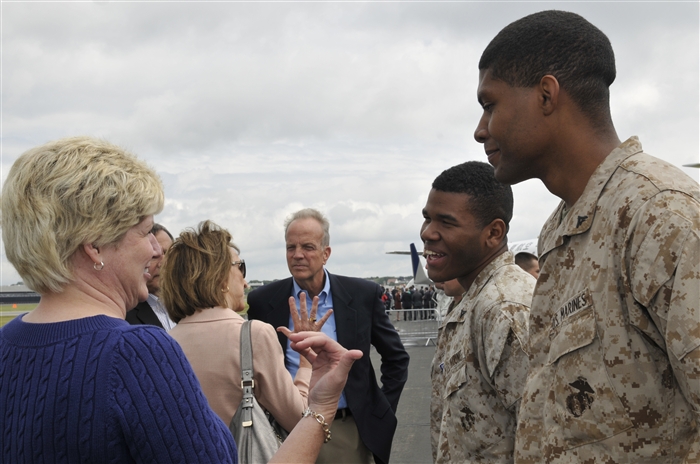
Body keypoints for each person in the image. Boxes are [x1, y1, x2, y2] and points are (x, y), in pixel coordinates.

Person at [474, 11, 700, 463]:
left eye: (490, 104)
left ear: (546, 94)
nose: (481, 129)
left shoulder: (659, 213)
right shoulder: (560, 228)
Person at [0, 136, 237, 463]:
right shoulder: (137, 352)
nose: (156, 250)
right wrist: (318, 411)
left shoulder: (6, 345)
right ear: (94, 245)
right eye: (145, 232)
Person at [247, 208, 410, 464]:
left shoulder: (362, 294)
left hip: (345, 430)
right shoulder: (262, 301)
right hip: (286, 429)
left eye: (308, 247)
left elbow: (396, 358)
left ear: (326, 253)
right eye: (291, 247)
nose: (298, 255)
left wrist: (381, 410)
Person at [162, 220, 329, 435]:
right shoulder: (253, 334)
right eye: (240, 267)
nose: (245, 281)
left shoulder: (163, 341)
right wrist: (306, 364)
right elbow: (298, 420)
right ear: (220, 276)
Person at [422, 161, 536, 463]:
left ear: (494, 233)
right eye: (427, 219)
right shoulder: (471, 299)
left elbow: (544, 437)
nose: (428, 233)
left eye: (446, 222)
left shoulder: (505, 308)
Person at [126, 223, 177, 330]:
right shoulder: (125, 316)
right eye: (154, 256)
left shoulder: (194, 307)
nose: (163, 263)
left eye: (168, 254)